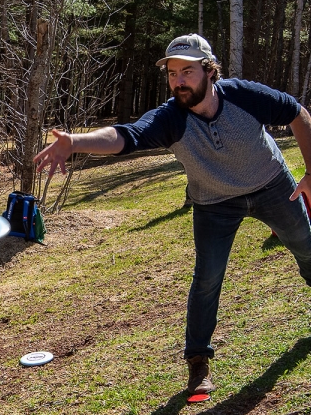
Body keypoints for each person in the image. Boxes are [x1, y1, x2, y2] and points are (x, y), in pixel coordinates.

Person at [34, 33, 311, 395]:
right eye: (172, 73)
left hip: (272, 185)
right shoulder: (171, 118)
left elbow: (298, 113)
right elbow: (126, 136)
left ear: (210, 71)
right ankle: (198, 363)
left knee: (306, 247)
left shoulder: (245, 96)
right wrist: (76, 142)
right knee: (208, 278)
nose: (178, 80)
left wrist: (310, 171)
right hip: (214, 202)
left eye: (187, 71)